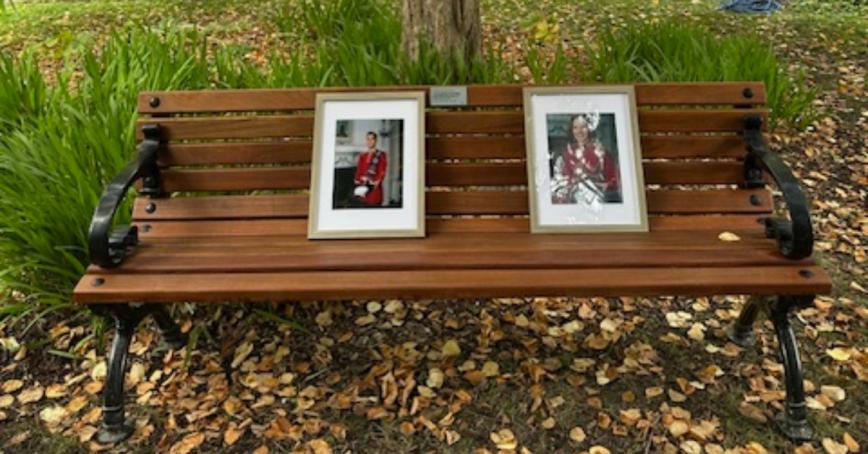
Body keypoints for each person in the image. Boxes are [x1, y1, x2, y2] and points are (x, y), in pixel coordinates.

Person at [552, 115, 620, 204]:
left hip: (597, 203)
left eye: (583, 127)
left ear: (590, 129)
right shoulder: (567, 153)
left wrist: (597, 186)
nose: (579, 131)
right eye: (575, 127)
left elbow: (614, 181)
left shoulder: (602, 153)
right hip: (572, 203)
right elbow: (563, 179)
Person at [352, 131, 388, 206]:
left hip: (374, 191)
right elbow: (359, 170)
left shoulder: (381, 155)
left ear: (375, 141)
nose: (370, 141)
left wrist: (376, 182)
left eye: (372, 139)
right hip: (363, 190)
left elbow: (382, 171)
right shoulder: (362, 156)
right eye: (368, 139)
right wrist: (357, 179)